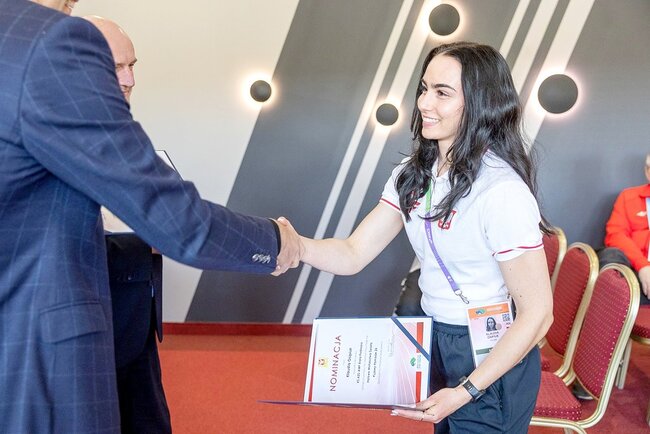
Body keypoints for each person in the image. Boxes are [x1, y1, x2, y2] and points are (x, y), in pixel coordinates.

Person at [0, 1, 302, 433]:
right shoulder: (49, 40)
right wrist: (277, 242)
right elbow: (179, 221)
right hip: (40, 353)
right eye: (114, 67)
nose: (127, 79)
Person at [294, 42, 553, 432]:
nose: (424, 103)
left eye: (442, 93)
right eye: (424, 88)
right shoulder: (412, 173)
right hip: (435, 334)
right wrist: (294, 246)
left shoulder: (501, 191)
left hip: (491, 352)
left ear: (481, 103)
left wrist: (466, 390)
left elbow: (538, 314)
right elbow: (352, 252)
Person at [83, 15, 171, 433]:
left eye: (132, 65)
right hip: (89, 326)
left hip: (136, 314)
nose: (130, 79)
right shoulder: (52, 138)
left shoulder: (125, 136)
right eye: (116, 66)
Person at [599, 152, 650, 305]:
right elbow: (615, 235)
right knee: (611, 256)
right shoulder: (628, 197)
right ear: (647, 172)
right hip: (634, 274)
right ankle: (615, 312)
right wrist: (643, 266)